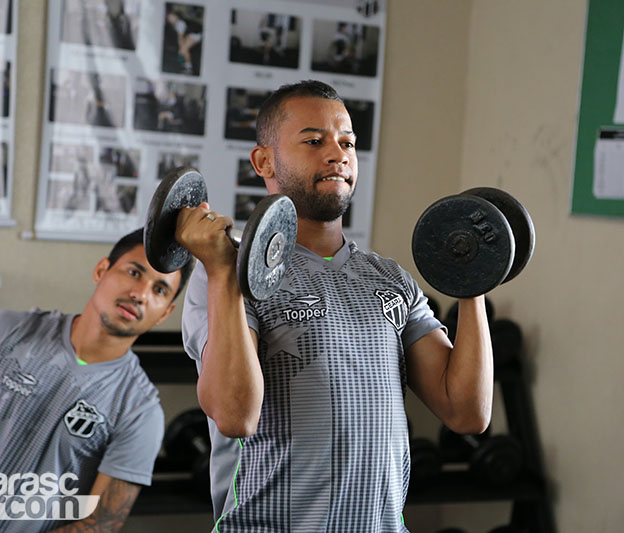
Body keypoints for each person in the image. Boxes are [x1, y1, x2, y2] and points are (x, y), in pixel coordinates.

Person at [179, 80, 493, 532]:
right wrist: (223, 273)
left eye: (347, 142)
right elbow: (234, 415)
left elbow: (466, 411)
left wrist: (473, 281)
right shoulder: (228, 275)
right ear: (264, 160)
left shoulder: (389, 279)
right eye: (313, 140)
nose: (337, 153)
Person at [0, 228, 194, 532]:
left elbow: (99, 523)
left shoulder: (140, 410)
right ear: (101, 270)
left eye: (160, 290)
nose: (140, 294)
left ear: (165, 313)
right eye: (134, 272)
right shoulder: (5, 330)